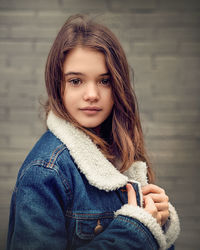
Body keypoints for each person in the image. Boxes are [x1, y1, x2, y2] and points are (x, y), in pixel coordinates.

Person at [6, 14, 180, 250]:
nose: (92, 94)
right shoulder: (45, 172)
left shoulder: (120, 153)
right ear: (59, 86)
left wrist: (157, 221)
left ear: (118, 86)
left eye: (104, 81)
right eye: (76, 81)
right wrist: (136, 229)